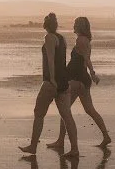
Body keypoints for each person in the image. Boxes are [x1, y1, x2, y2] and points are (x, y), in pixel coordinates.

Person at [19, 13, 79, 158]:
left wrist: (51, 79)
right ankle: (75, 149)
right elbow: (62, 60)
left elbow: (51, 60)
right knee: (67, 116)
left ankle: (33, 146)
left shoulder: (48, 38)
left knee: (39, 113)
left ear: (45, 25)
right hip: (63, 83)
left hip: (51, 83)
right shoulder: (61, 38)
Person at [48, 16, 111, 150]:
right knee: (90, 110)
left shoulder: (81, 40)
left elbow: (87, 59)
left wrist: (93, 73)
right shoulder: (86, 40)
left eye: (75, 23)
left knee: (64, 110)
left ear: (80, 26)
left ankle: (60, 141)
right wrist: (92, 75)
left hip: (77, 79)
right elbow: (86, 59)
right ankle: (106, 136)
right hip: (83, 80)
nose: (73, 25)